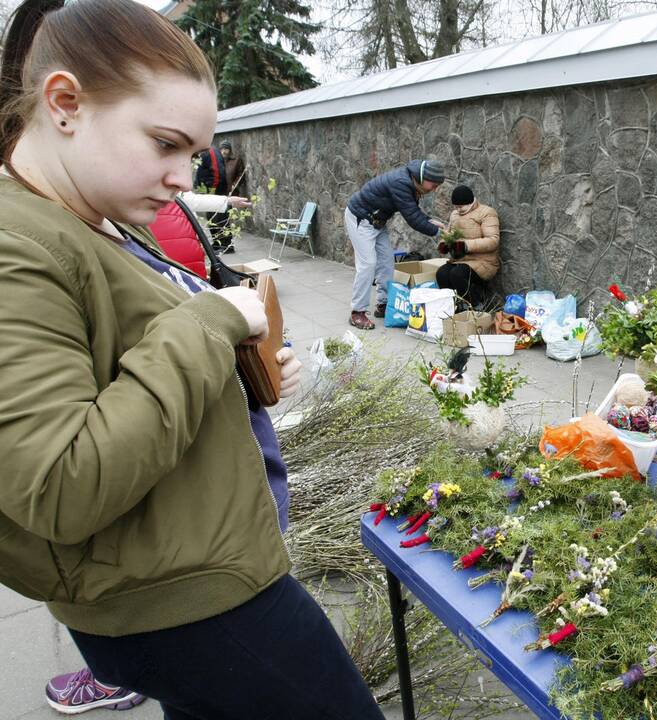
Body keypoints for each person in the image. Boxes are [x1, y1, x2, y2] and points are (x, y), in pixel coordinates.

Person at [0, 2, 385, 719]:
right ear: (64, 103)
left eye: (194, 153)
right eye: (165, 144)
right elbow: (60, 483)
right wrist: (209, 325)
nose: (184, 176)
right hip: (187, 603)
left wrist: (245, 381)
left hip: (197, 574)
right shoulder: (18, 247)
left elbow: (122, 367)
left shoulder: (88, 217)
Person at [345, 158, 447, 329]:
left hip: (377, 222)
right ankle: (357, 312)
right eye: (434, 185)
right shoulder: (401, 182)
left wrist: (430, 220)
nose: (435, 189)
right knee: (368, 264)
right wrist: (437, 232)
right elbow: (412, 218)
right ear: (422, 177)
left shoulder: (411, 181)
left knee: (386, 263)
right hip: (360, 218)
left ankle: (383, 304)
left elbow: (412, 209)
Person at [149, 191, 252, 278]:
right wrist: (226, 201)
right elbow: (190, 199)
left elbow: (190, 199)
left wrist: (226, 201)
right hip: (180, 252)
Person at [436, 184, 500, 309]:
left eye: (461, 206)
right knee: (441, 274)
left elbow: (493, 241)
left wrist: (465, 246)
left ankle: (477, 306)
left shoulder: (486, 213)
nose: (459, 209)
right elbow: (450, 235)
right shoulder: (454, 215)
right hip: (461, 260)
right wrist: (444, 244)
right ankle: (453, 307)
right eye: (456, 206)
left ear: (470, 202)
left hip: (483, 262)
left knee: (457, 274)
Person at [194, 143, 232, 251]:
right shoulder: (203, 152)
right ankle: (217, 242)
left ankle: (226, 245)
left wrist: (212, 191)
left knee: (220, 217)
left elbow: (217, 172)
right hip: (208, 190)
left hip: (215, 191)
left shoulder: (210, 151)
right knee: (211, 217)